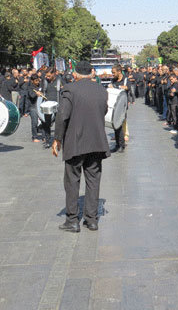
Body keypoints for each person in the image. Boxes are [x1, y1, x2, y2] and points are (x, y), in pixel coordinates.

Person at [53, 61, 110, 232]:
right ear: (92, 73)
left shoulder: (70, 89)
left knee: (72, 181)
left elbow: (62, 115)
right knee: (93, 180)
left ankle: (72, 220)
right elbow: (104, 110)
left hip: (75, 141)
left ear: (75, 74)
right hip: (97, 141)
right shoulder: (101, 90)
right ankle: (91, 220)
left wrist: (57, 139)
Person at [109, 64, 129, 153]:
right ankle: (117, 144)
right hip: (115, 105)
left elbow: (127, 88)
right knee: (115, 125)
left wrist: (117, 87)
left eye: (114, 72)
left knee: (120, 125)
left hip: (122, 105)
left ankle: (122, 145)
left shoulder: (125, 79)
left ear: (119, 71)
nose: (112, 74)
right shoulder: (113, 80)